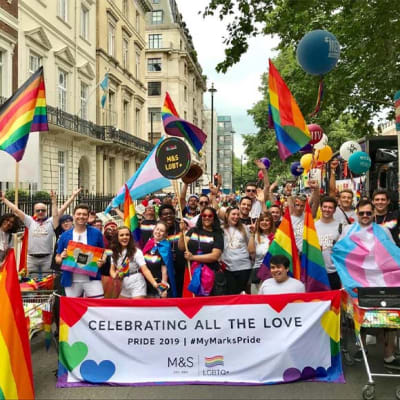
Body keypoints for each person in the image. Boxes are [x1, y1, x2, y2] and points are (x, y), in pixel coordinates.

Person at [334, 199, 400, 369]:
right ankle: (359, 348)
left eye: (368, 213)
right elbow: (341, 254)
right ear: (357, 213)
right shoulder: (348, 230)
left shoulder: (384, 230)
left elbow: (393, 253)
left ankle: (389, 355)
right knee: (360, 316)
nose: (365, 216)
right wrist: (344, 281)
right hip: (356, 282)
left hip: (382, 282)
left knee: (390, 317)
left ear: (373, 214)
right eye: (362, 213)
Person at [1, 188, 81, 278]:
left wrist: (73, 196)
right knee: (31, 284)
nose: (40, 212)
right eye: (38, 210)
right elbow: (16, 210)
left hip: (47, 258)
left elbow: (62, 209)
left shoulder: (51, 221)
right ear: (34, 211)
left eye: (43, 210)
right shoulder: (30, 221)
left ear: (46, 211)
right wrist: (4, 199)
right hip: (32, 259)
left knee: (47, 283)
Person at [55, 204, 105, 298]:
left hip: (92, 278)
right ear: (74, 215)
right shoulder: (65, 236)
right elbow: (57, 258)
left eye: (84, 214)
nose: (81, 216)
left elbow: (103, 253)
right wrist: (61, 257)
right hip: (71, 280)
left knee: (98, 305)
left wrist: (102, 261)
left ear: (88, 216)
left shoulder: (96, 233)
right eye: (78, 214)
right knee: (72, 309)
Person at [178, 206, 224, 295]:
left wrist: (193, 257)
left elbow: (215, 256)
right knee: (191, 301)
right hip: (191, 271)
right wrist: (181, 232)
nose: (207, 217)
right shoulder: (192, 231)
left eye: (210, 216)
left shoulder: (217, 234)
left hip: (208, 274)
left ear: (214, 218)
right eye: (204, 215)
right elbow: (181, 247)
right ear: (201, 217)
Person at [108, 226, 160, 298]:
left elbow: (145, 270)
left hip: (137, 283)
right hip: (124, 285)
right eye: (121, 235)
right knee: (121, 308)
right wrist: (114, 275)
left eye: (127, 235)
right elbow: (112, 269)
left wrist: (155, 284)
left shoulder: (136, 251)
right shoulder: (114, 252)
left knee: (137, 308)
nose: (125, 237)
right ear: (117, 238)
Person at [221, 206, 252, 294]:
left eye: (238, 214)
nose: (236, 216)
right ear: (227, 215)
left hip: (244, 266)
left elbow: (249, 244)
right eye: (233, 214)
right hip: (228, 267)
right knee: (230, 293)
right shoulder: (221, 228)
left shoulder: (244, 228)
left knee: (241, 292)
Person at [142, 221, 176, 297]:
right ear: (154, 229)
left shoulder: (165, 247)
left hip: (158, 283)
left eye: (162, 231)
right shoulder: (149, 243)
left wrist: (163, 288)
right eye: (157, 229)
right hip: (145, 282)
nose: (158, 232)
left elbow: (165, 269)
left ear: (166, 234)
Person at [315, 196, 342, 290]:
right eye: (325, 207)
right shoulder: (313, 226)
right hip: (317, 270)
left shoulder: (341, 227)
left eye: (330, 207)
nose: (327, 209)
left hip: (334, 272)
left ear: (334, 210)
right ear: (321, 208)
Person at [159, 204, 185, 297]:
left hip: (182, 268)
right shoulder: (158, 230)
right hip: (164, 271)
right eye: (165, 214)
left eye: (170, 213)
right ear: (160, 217)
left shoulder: (181, 226)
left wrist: (183, 231)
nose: (168, 216)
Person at [248, 212, 275, 289]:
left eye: (267, 220)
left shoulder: (277, 236)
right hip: (258, 270)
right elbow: (251, 252)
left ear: (271, 223)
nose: (264, 222)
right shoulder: (255, 236)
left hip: (273, 271)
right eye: (262, 220)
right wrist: (252, 234)